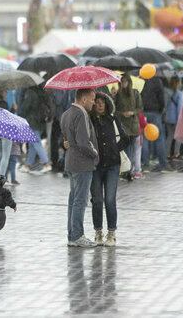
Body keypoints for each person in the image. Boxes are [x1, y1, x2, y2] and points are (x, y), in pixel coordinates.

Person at [89, 92, 129, 247]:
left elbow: (126, 139)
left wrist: (114, 149)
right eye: (97, 102)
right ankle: (98, 232)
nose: (100, 105)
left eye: (102, 102)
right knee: (97, 200)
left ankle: (112, 233)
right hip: (96, 166)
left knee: (110, 200)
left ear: (106, 104)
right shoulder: (90, 121)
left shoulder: (113, 120)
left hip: (112, 165)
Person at [61, 88, 99, 247]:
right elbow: (83, 141)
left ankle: (72, 235)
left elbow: (67, 140)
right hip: (82, 163)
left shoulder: (66, 114)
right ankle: (77, 235)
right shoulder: (80, 114)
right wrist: (95, 153)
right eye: (92, 99)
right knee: (80, 200)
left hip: (71, 161)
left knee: (73, 199)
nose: (94, 102)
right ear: (83, 100)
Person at [114, 73, 143, 179]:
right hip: (123, 125)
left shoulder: (135, 93)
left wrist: (133, 112)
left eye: (125, 81)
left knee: (136, 149)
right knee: (126, 149)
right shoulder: (117, 94)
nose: (123, 84)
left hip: (134, 124)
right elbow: (113, 109)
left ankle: (137, 170)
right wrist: (122, 113)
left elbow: (140, 107)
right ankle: (127, 170)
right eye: (122, 81)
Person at [21, 83, 53, 172]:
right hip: (41, 120)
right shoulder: (42, 92)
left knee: (36, 142)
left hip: (32, 121)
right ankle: (27, 165)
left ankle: (46, 163)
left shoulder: (30, 92)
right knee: (32, 145)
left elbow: (25, 107)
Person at [141, 75, 170, 172]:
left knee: (144, 138)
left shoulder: (140, 80)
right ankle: (163, 164)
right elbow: (161, 98)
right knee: (159, 138)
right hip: (155, 112)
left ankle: (145, 164)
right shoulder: (157, 81)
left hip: (143, 112)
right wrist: (161, 109)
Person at [0, 91, 14, 178]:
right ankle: (1, 177)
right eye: (5, 91)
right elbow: (7, 117)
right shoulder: (3, 103)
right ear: (1, 92)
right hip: (5, 131)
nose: (6, 93)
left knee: (0, 154)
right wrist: (13, 109)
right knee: (6, 156)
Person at [165, 76, 183, 160]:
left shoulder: (167, 92)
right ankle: (176, 154)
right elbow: (179, 107)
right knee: (178, 136)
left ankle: (167, 154)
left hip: (168, 118)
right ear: (177, 83)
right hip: (176, 118)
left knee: (170, 136)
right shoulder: (179, 93)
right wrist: (180, 119)